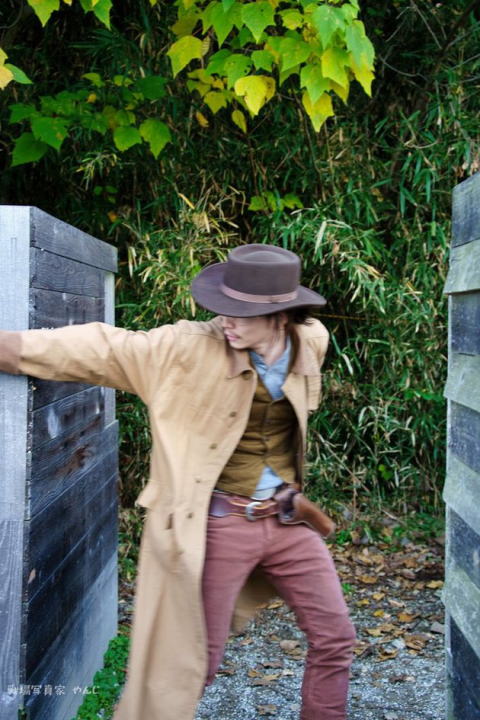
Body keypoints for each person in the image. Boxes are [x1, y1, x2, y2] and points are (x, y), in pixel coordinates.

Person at [0, 243, 356, 720]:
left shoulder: (310, 342)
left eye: (239, 313)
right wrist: (8, 348)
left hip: (289, 520)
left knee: (336, 638)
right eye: (222, 307)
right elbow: (102, 347)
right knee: (191, 665)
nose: (225, 320)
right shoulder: (185, 349)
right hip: (218, 526)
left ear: (280, 316)